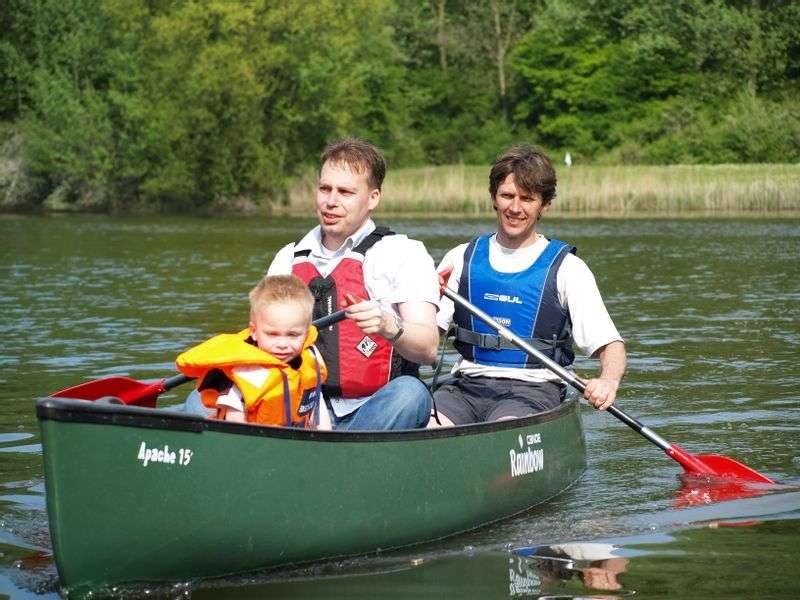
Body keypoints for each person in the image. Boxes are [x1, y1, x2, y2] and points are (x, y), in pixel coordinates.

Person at [433, 144, 626, 426]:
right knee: (426, 426)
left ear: (544, 204)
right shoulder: (460, 258)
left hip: (533, 390)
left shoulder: (568, 269)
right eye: (507, 196)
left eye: (527, 198)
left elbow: (612, 346)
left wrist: (607, 381)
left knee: (500, 431)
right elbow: (425, 334)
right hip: (464, 386)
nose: (515, 208)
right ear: (493, 198)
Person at [266, 138, 439, 430]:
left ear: (373, 198)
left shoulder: (403, 253)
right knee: (202, 398)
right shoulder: (288, 258)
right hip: (299, 410)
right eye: (324, 189)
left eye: (345, 192)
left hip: (374, 408)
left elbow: (428, 348)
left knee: (411, 394)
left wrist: (388, 325)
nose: (331, 201)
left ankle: (341, 459)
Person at [175, 275, 328, 427]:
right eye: (272, 334)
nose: (282, 344)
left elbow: (316, 407)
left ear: (306, 334)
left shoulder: (310, 360)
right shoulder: (244, 372)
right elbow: (236, 427)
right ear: (254, 331)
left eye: (293, 335)